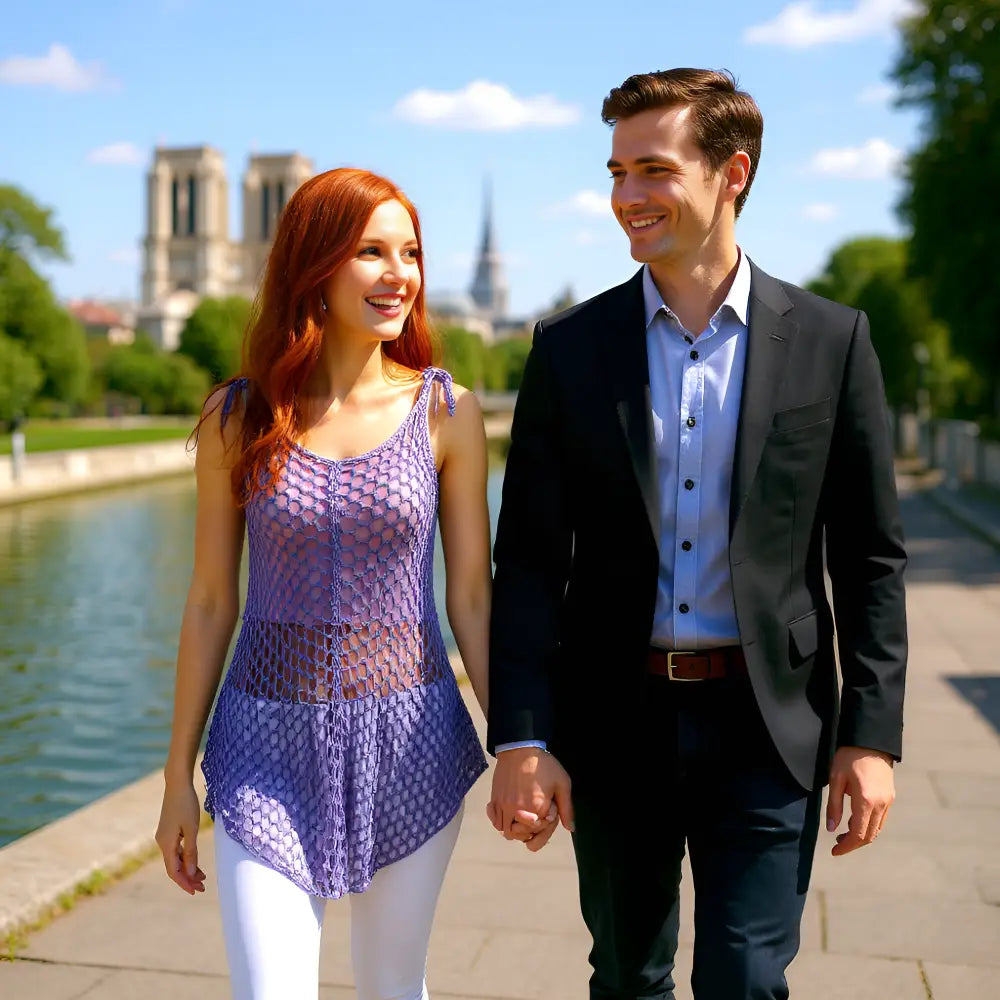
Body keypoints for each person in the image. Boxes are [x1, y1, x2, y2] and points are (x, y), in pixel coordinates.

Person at [486, 69, 907, 1000]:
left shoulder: (834, 341)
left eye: (654, 169)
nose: (626, 196)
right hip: (614, 721)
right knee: (628, 977)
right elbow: (526, 562)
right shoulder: (568, 348)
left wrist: (870, 737)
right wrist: (521, 736)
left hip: (772, 725)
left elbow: (871, 558)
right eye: (616, 171)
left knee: (747, 981)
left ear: (733, 174)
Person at [155, 167, 492, 1000]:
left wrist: (520, 743)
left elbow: (473, 599)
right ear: (314, 263)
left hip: (413, 740)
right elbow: (208, 602)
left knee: (391, 988)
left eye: (409, 252)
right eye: (370, 251)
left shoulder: (448, 413)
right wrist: (174, 781)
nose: (398, 274)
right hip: (260, 748)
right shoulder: (239, 416)